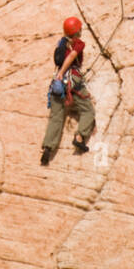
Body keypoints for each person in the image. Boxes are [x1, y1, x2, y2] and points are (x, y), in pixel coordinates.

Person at [40, 16, 96, 165]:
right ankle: (80, 137)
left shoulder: (61, 43)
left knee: (56, 118)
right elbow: (72, 56)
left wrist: (58, 75)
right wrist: (62, 72)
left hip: (57, 85)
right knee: (88, 110)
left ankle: (47, 148)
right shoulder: (78, 44)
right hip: (71, 82)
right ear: (77, 31)